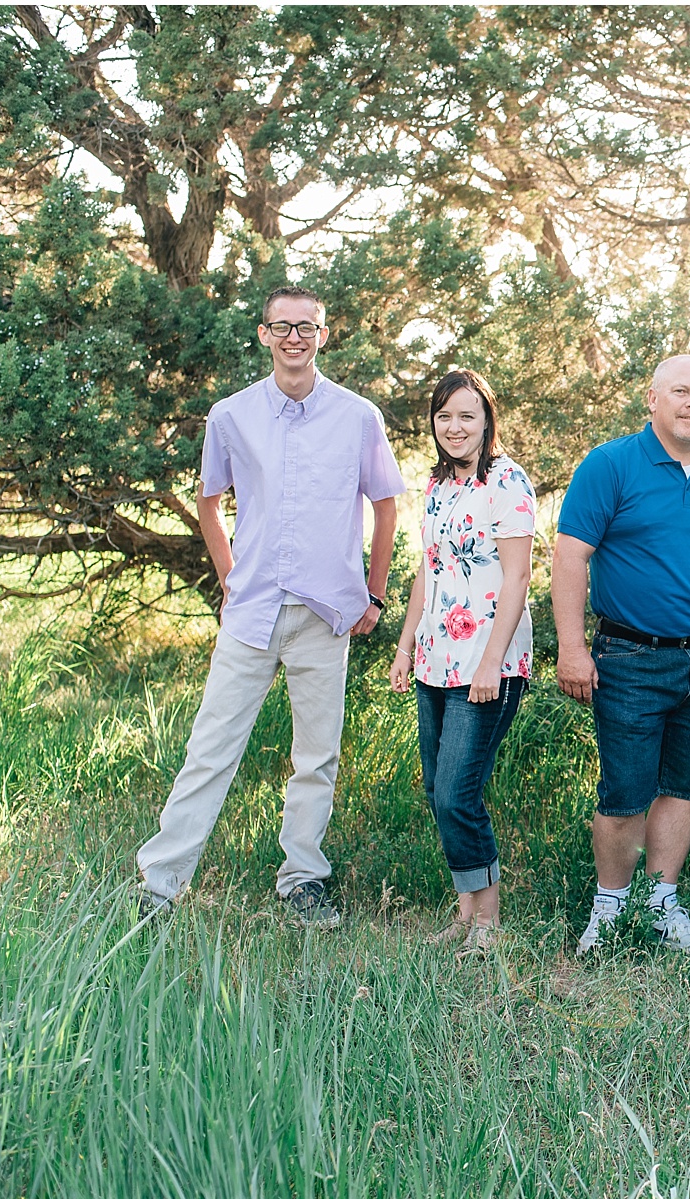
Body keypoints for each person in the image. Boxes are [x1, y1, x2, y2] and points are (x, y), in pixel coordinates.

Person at [137, 285, 404, 926]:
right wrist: (230, 577)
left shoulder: (358, 416)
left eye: (305, 326)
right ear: (263, 335)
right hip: (253, 611)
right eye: (281, 327)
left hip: (324, 613)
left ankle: (303, 880)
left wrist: (375, 590)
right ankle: (161, 882)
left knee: (317, 755)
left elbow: (387, 503)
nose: (293, 337)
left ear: (323, 334)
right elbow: (209, 500)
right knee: (211, 747)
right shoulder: (230, 416)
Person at [552, 354, 690, 953]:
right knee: (624, 791)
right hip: (627, 655)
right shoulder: (610, 465)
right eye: (680, 392)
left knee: (687, 786)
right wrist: (570, 648)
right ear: (653, 399)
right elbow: (570, 558)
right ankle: (610, 907)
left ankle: (661, 902)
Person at [388, 369, 536, 956]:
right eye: (444, 416)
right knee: (436, 789)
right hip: (434, 659)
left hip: (486, 664)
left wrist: (491, 663)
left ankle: (489, 921)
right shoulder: (436, 485)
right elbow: (428, 569)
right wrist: (405, 646)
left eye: (466, 415)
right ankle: (466, 908)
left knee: (457, 791)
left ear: (486, 420)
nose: (454, 427)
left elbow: (520, 575)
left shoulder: (507, 480)